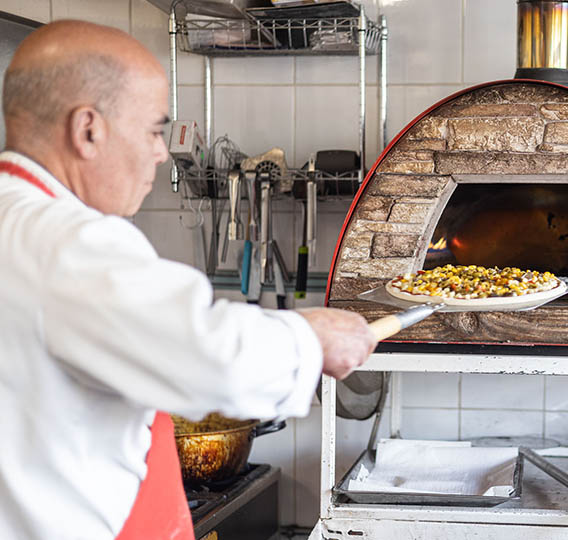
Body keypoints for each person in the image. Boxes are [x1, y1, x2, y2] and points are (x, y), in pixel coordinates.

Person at [0, 20, 377, 540]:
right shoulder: (63, 241)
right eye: (155, 130)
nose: (161, 153)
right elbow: (209, 356)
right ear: (88, 129)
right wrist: (312, 338)